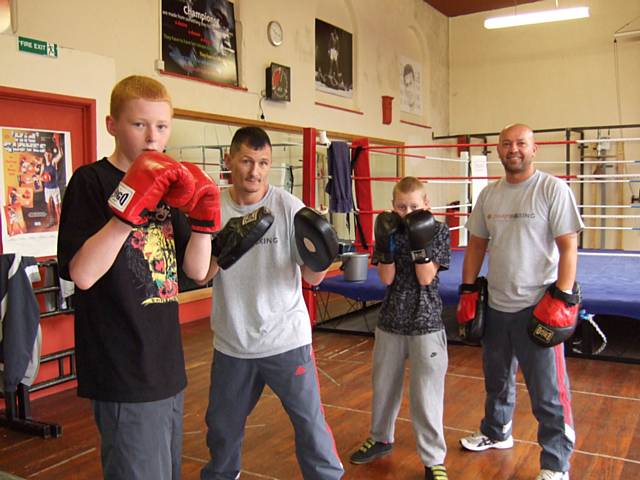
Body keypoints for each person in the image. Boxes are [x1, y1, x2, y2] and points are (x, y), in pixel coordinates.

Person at [57, 75, 218, 480]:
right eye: (139, 124)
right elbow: (83, 274)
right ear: (112, 124)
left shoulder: (172, 185)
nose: (152, 137)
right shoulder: (90, 182)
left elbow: (197, 272)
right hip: (120, 365)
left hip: (166, 363)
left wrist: (203, 225)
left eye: (162, 126)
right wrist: (126, 214)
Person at [198, 126, 344, 480]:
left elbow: (312, 278)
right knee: (221, 428)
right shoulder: (213, 207)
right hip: (233, 342)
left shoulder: (289, 207)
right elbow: (202, 275)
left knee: (309, 424)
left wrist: (321, 257)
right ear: (229, 160)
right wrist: (223, 248)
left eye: (263, 162)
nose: (255, 171)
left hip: (285, 340)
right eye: (247, 161)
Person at [457, 124, 583, 480]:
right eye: (507, 144)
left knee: (548, 394)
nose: (514, 149)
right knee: (496, 380)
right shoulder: (489, 195)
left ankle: (556, 464)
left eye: (521, 144)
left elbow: (568, 245)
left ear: (534, 149)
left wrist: (562, 296)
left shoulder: (551, 189)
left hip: (538, 305)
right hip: (497, 303)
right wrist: (468, 289)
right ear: (498, 150)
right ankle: (497, 433)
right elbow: (477, 245)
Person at [350, 176, 451, 480]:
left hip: (426, 322)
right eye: (401, 206)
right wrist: (386, 244)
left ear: (426, 205)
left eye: (414, 206)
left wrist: (419, 245)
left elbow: (425, 278)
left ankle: (433, 459)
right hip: (391, 320)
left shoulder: (438, 231)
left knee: (426, 394)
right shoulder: (389, 230)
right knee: (383, 387)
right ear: (393, 207)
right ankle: (381, 438)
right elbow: (385, 278)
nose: (407, 212)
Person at [42, 137, 63, 227]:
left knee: (57, 208)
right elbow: (40, 177)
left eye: (49, 154)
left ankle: (61, 224)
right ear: (45, 154)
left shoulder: (54, 162)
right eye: (47, 154)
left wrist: (58, 144)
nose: (48, 155)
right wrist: (44, 178)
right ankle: (51, 220)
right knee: (49, 207)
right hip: (47, 189)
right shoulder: (43, 165)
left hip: (55, 188)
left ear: (51, 155)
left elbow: (61, 154)